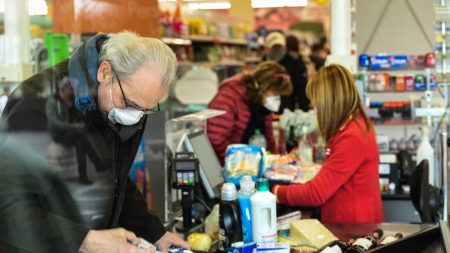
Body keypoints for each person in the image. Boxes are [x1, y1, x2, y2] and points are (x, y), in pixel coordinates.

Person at [0, 32, 189, 253]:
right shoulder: (38, 105)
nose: (135, 115)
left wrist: (155, 232)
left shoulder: (125, 104)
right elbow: (6, 204)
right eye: (129, 103)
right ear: (104, 72)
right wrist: (83, 239)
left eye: (146, 109)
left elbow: (113, 178)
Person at [272, 64, 384, 224]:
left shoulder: (352, 137)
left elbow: (316, 193)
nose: (315, 109)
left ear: (329, 103)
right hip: (348, 222)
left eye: (317, 104)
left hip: (353, 230)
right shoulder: (351, 127)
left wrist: (275, 192)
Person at [207, 61, 292, 164]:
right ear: (262, 88)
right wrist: (237, 162)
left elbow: (269, 138)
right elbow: (216, 138)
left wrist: (271, 160)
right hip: (229, 166)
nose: (277, 99)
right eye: (275, 93)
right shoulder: (228, 96)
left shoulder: (262, 102)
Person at [278, 35, 309, 112]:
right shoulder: (299, 60)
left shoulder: (283, 60)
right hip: (291, 100)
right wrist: (304, 109)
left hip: (283, 100)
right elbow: (301, 87)